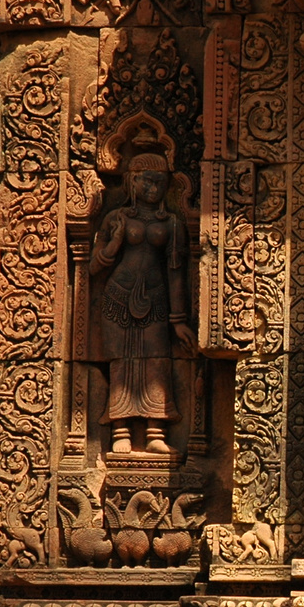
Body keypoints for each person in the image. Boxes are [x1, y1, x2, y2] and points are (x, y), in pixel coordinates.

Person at [91, 147, 195, 455]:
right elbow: (94, 267)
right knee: (122, 364)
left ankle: (155, 432)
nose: (153, 189)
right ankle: (120, 432)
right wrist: (116, 242)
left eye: (160, 183)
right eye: (147, 182)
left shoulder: (172, 224)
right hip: (117, 298)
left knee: (157, 363)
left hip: (157, 301)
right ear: (132, 183)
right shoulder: (116, 218)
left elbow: (176, 274)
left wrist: (178, 321)